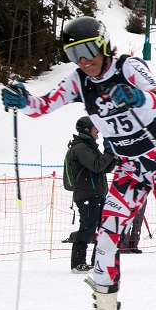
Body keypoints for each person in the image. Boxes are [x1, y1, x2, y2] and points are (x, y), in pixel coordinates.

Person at [1, 16, 156, 310]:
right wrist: (23, 101)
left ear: (103, 44)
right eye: (73, 54)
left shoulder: (127, 67)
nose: (83, 60)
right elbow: (44, 105)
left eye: (88, 49)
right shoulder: (79, 82)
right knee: (107, 235)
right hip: (128, 169)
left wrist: (138, 97)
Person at [66, 116, 116, 273]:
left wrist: (112, 157)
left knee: (103, 228)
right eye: (96, 128)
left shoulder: (89, 147)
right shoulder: (80, 148)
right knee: (87, 228)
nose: (98, 131)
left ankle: (98, 261)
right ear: (88, 129)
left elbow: (104, 167)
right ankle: (77, 263)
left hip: (96, 194)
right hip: (87, 195)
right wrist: (108, 152)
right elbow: (96, 165)